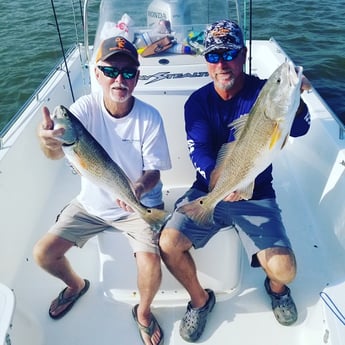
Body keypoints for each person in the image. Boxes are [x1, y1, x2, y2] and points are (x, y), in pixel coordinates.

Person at [159, 19, 311, 342]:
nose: (222, 63)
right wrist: (220, 186)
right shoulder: (197, 104)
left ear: (243, 55)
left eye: (229, 53)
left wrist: (296, 100)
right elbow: (198, 153)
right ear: (206, 62)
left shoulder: (262, 93)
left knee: (287, 270)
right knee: (168, 244)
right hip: (212, 188)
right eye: (214, 56)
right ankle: (200, 301)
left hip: (257, 191)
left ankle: (275, 289)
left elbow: (300, 129)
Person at [34, 36, 171, 345]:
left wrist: (136, 189)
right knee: (43, 254)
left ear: (137, 77)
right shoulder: (83, 109)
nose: (118, 79)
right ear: (96, 74)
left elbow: (154, 172)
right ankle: (75, 285)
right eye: (110, 71)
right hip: (92, 205)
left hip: (137, 203)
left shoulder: (149, 117)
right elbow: (57, 150)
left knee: (151, 266)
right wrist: (48, 140)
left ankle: (144, 312)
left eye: (127, 72)